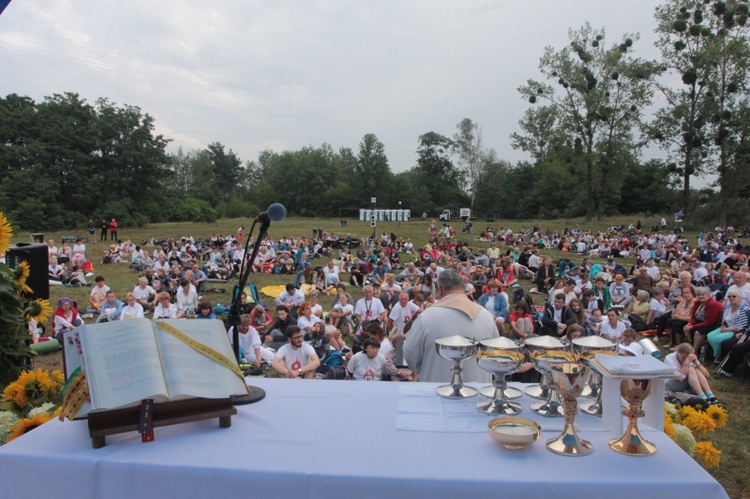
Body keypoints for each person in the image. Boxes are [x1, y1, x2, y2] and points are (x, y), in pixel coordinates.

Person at [403, 268, 498, 383]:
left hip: (436, 389)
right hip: (478, 391)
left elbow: (410, 353)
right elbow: (495, 355)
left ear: (441, 289)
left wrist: (421, 369)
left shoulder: (427, 317)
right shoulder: (485, 316)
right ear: (464, 287)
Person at [684, 286, 724, 363]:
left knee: (699, 332)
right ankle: (691, 346)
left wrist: (693, 326)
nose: (700, 296)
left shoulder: (713, 304)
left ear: (708, 295)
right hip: (701, 322)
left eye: (703, 294)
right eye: (698, 295)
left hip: (713, 324)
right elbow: (693, 317)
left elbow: (709, 322)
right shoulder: (697, 302)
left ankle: (694, 352)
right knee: (686, 328)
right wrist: (689, 324)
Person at [706, 291, 748, 364]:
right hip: (727, 327)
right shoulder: (727, 307)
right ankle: (717, 355)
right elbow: (724, 320)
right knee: (710, 335)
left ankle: (718, 358)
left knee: (717, 339)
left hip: (736, 330)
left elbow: (742, 327)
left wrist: (726, 329)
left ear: (740, 298)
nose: (731, 298)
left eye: (734, 296)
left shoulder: (743, 310)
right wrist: (724, 326)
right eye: (729, 296)